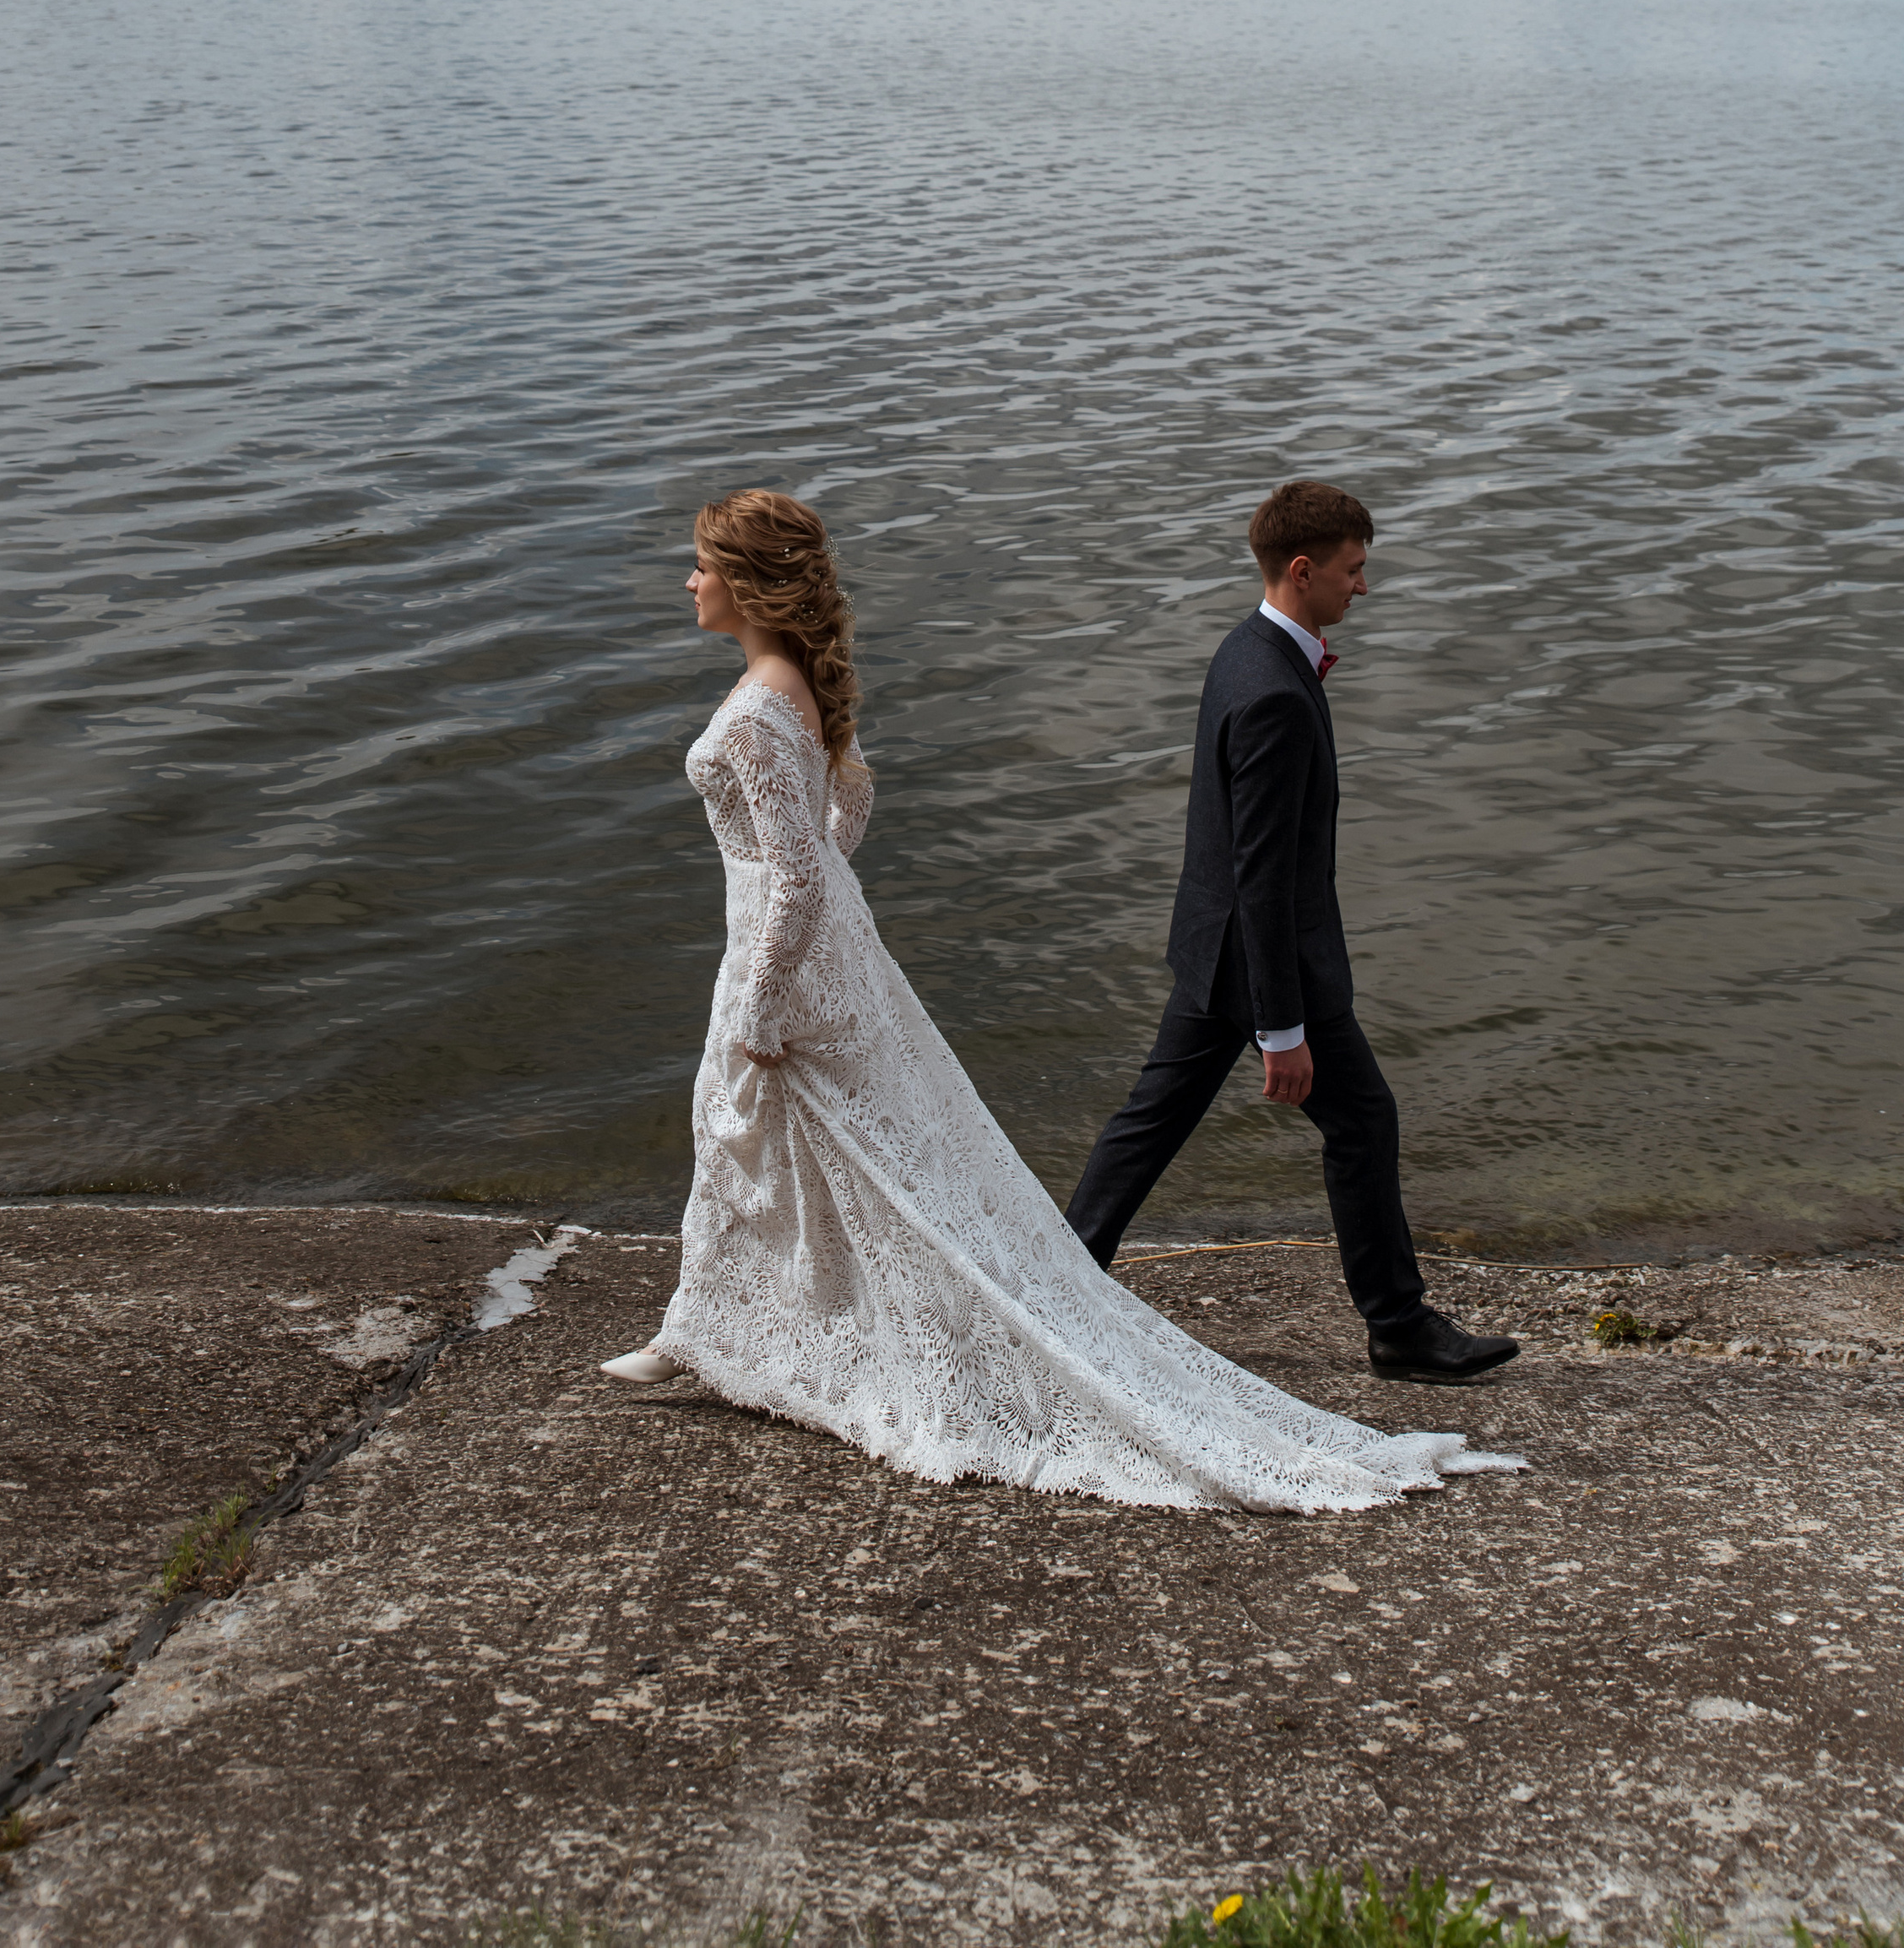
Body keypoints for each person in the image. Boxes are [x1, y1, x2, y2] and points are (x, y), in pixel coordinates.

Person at [600, 485, 1521, 1511]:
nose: (689, 581)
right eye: (1356, 564)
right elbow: (829, 837)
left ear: (749, 580)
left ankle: (758, 1323)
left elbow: (809, 865)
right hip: (897, 954)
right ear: (1303, 569)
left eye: (700, 564)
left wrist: (764, 990)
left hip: (834, 956)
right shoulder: (789, 693)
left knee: (801, 1143)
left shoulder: (768, 702)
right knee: (807, 1145)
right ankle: (723, 1326)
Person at [1065, 477, 1519, 1386]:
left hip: (1214, 944)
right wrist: (1282, 1028)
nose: (1364, 587)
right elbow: (1264, 873)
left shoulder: (1244, 650)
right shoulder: (1272, 691)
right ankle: (1396, 1326)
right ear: (1303, 570)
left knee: (1147, 1124)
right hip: (1262, 959)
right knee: (1360, 1119)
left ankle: (1054, 1285)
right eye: (1353, 571)